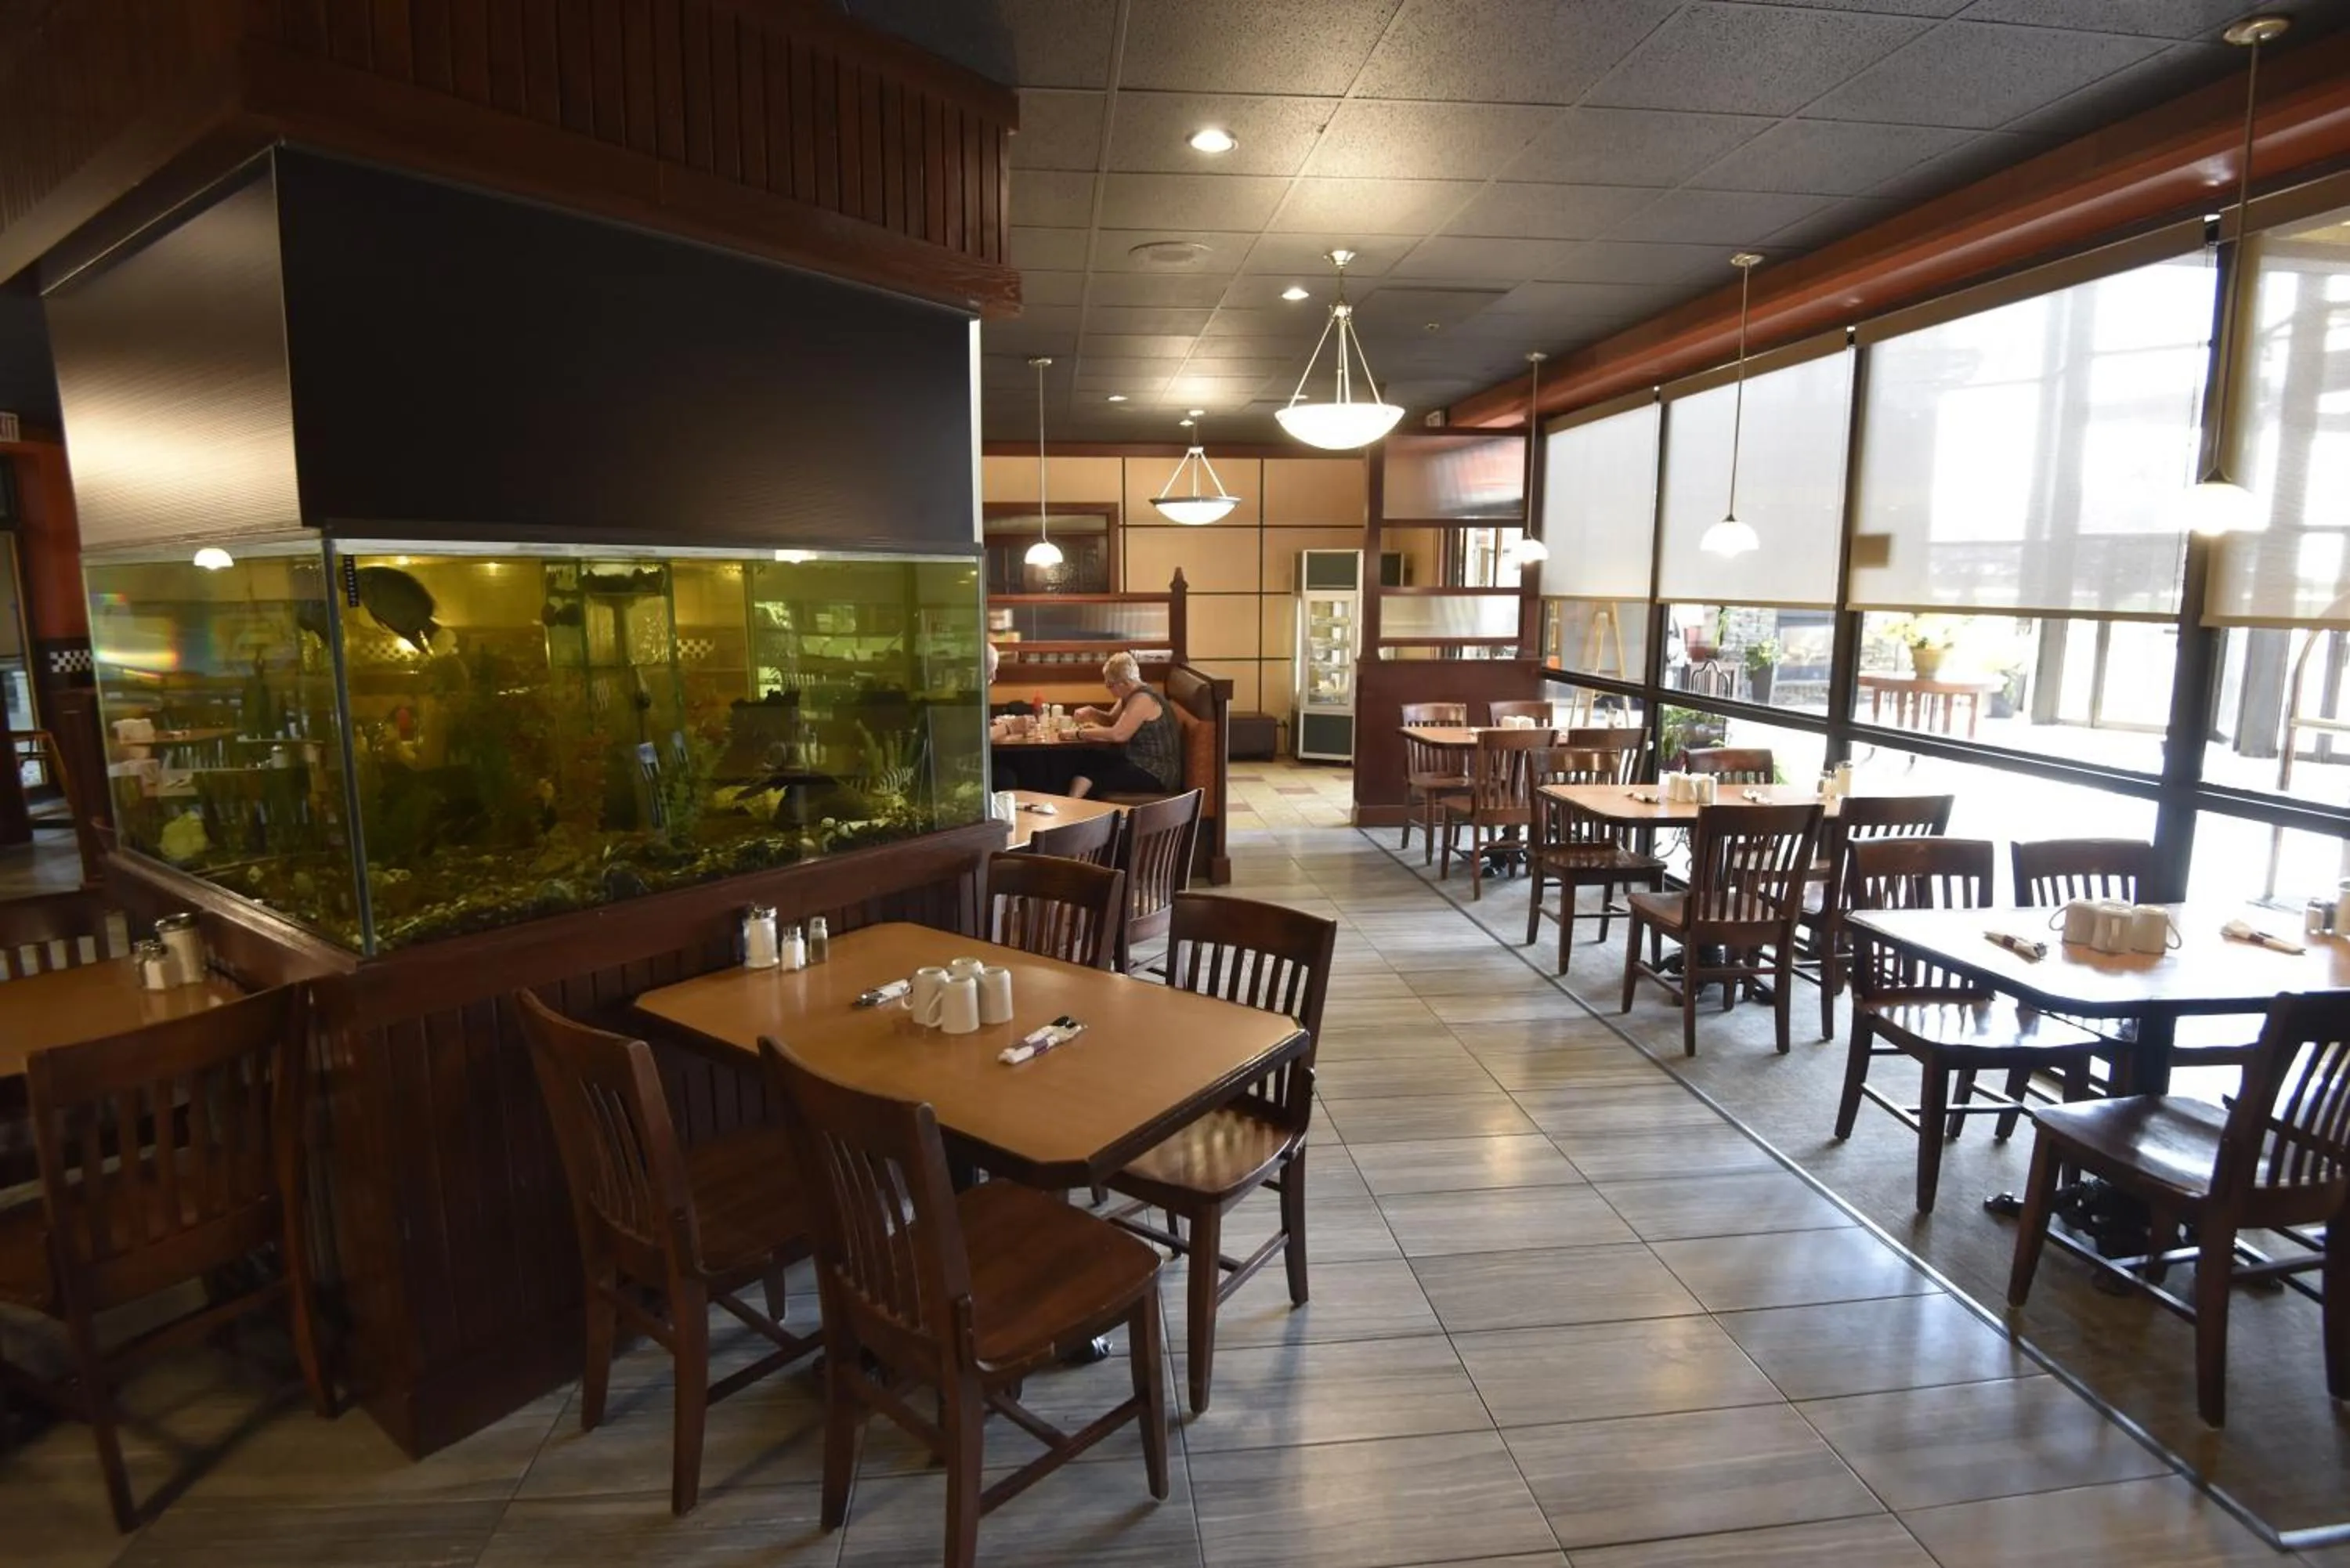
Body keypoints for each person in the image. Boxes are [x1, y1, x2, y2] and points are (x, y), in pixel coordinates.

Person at [1068, 651, 1183, 800]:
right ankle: (1073, 803)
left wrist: (1078, 734)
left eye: (1110, 685)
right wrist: (1092, 712)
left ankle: (1073, 806)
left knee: (1096, 774)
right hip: (1138, 761)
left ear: (1125, 683)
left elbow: (1118, 735)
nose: (1108, 688)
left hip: (1156, 772)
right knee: (1088, 758)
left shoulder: (1143, 699)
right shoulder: (1130, 695)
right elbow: (1111, 720)